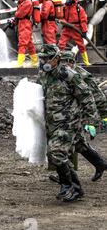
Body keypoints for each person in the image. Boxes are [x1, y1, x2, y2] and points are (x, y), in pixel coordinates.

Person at [37, 44, 98, 202]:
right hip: (52, 122)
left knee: (56, 153)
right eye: (41, 58)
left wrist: (90, 121)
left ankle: (69, 186)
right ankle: (75, 187)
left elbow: (86, 96)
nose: (44, 62)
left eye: (47, 59)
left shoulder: (68, 75)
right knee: (61, 153)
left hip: (69, 121)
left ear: (56, 59)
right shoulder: (44, 75)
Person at [58, 51, 107, 182]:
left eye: (66, 62)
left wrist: (103, 116)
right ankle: (99, 164)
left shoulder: (82, 75)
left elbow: (97, 95)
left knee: (64, 142)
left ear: (72, 62)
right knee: (78, 143)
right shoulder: (61, 74)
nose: (64, 65)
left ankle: (67, 178)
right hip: (66, 114)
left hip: (79, 114)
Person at [58, 0, 90, 66]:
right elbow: (61, 17)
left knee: (81, 45)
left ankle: (86, 62)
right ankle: (57, 61)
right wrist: (64, 22)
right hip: (67, 28)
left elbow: (83, 21)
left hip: (76, 28)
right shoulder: (64, 8)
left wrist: (84, 31)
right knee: (61, 44)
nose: (67, 0)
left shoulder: (79, 8)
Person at [12, 0, 38, 68]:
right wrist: (14, 21)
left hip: (25, 24)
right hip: (22, 23)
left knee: (22, 44)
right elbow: (18, 15)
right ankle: (35, 61)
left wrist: (15, 15)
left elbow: (19, 14)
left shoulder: (27, 2)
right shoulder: (21, 2)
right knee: (29, 44)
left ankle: (20, 63)